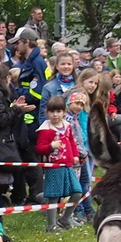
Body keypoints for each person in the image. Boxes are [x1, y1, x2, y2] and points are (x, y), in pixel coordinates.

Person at [37, 95, 83, 230]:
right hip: (54, 166)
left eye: (58, 111)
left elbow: (72, 142)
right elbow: (39, 148)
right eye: (52, 112)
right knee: (54, 196)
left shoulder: (67, 126)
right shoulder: (45, 129)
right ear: (47, 112)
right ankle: (51, 225)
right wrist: (51, 146)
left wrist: (75, 155)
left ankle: (65, 219)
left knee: (77, 192)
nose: (55, 115)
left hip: (68, 165)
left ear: (64, 112)